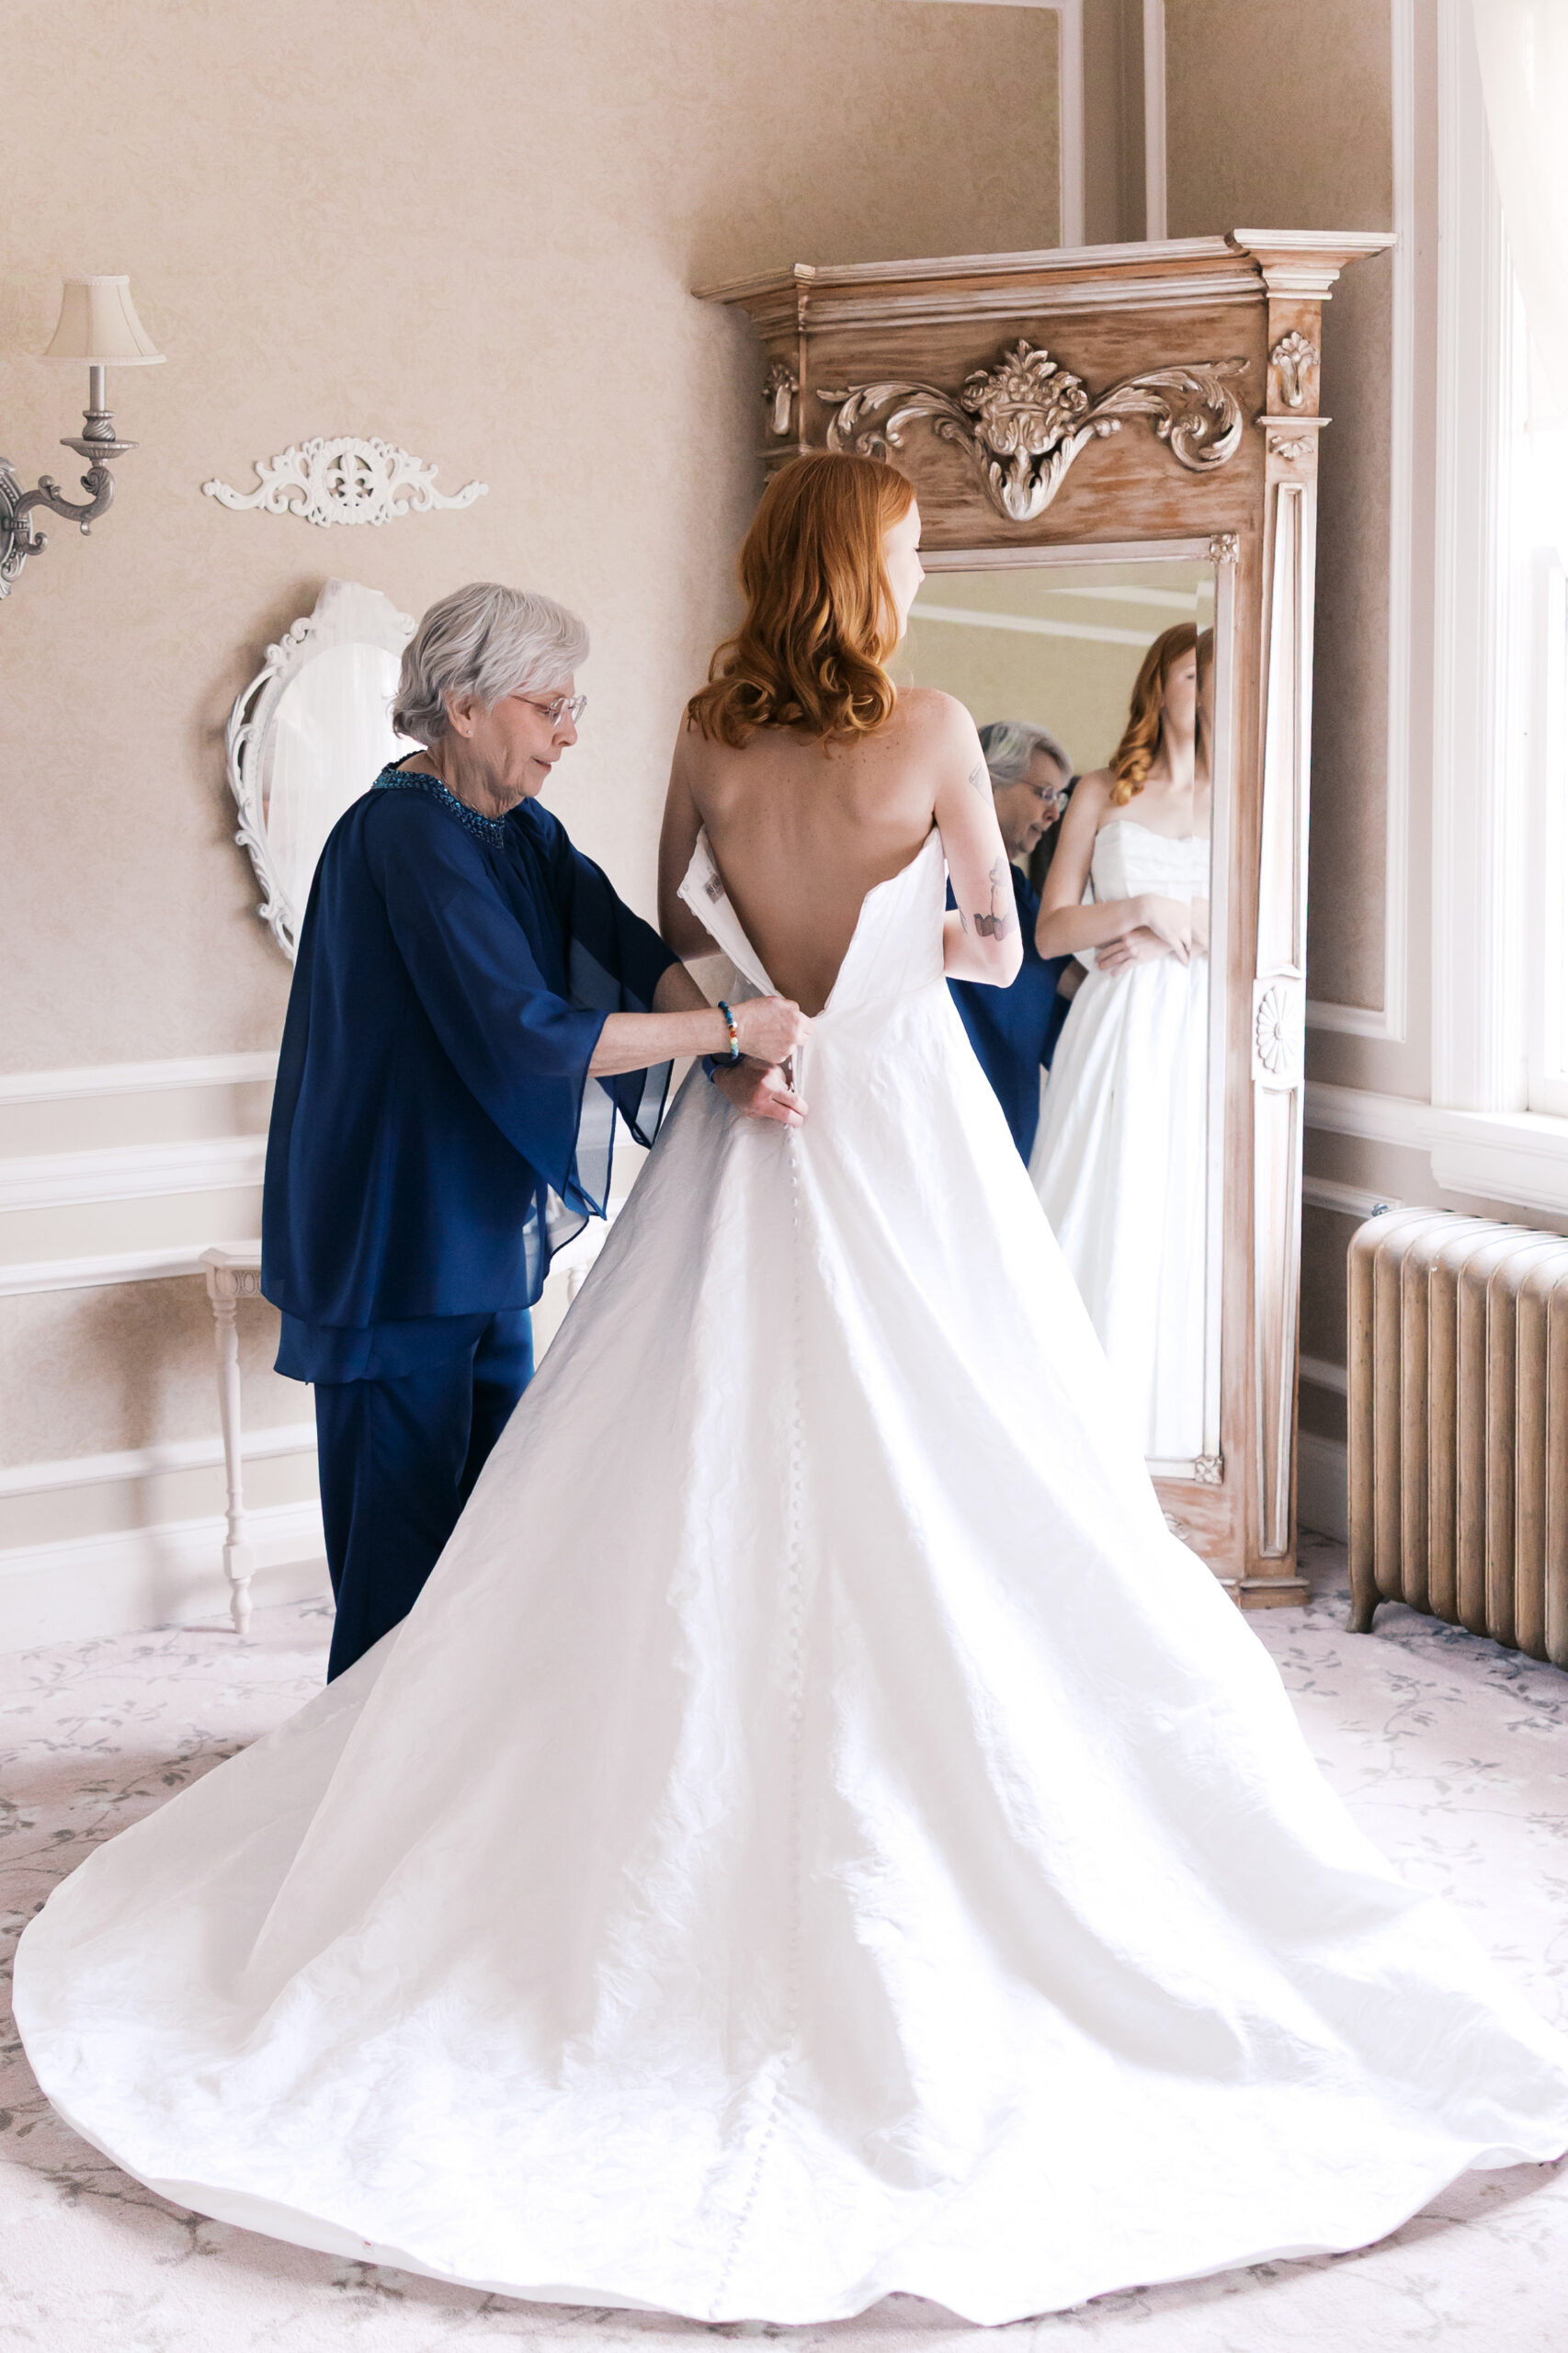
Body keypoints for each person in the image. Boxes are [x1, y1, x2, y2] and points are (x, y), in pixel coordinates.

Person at [16, 460, 1568, 2330]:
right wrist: (835, 1000)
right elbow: (989, 946)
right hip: (883, 1123)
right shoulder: (915, 729)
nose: (565, 723)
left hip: (746, 1144)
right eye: (909, 548)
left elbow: (660, 921)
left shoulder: (697, 730)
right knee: (975, 1465)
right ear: (868, 571)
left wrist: (753, 1018)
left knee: (647, 1478)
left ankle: (449, 1796)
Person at [260, 580, 804, 1678]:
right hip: (391, 1242)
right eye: (546, 705)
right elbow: (527, 1033)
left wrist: (726, 1056)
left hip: (477, 1232)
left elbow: (621, 943)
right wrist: (732, 1023)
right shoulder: (401, 836)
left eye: (573, 706)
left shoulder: (514, 829)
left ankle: (453, 1792)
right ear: (461, 707)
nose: (567, 733)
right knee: (400, 1557)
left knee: (490, 1541)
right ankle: (367, 1808)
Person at [1028, 622, 1212, 1461]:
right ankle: (1061, 1435)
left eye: (1217, 673)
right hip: (1114, 1027)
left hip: (1199, 1027)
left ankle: (1169, 1446)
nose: (1204, 687)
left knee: (1179, 1212)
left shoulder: (1246, 793)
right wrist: (1141, 911)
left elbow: (1267, 921)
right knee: (1099, 1198)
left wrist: (1181, 928)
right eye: (1188, 671)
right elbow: (1051, 929)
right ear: (1157, 685)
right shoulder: (1100, 791)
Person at [945, 719, 1074, 1161]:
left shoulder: (1018, 892)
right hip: (942, 1111)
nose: (1055, 814)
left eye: (1061, 798)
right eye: (1045, 794)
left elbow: (1068, 982)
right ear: (988, 778)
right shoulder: (926, 868)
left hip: (1003, 1123)